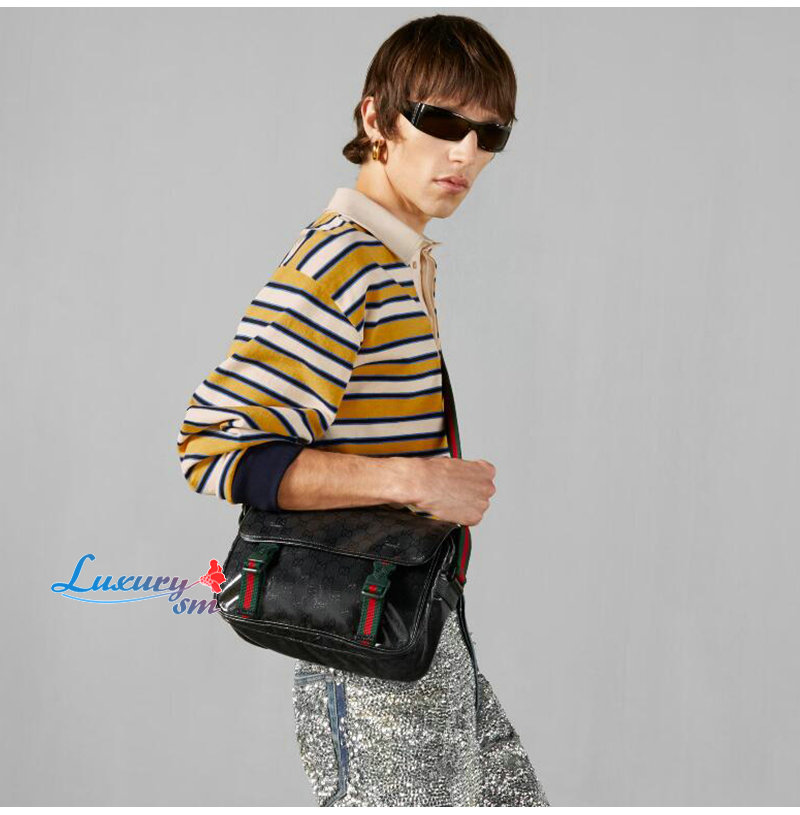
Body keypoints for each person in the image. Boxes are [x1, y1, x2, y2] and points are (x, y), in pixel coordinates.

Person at [176, 13, 549, 807]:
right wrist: (415, 480)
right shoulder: (341, 259)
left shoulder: (395, 257)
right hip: (368, 651)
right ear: (376, 118)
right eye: (441, 121)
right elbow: (213, 449)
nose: (466, 152)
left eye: (490, 133)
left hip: (417, 623)